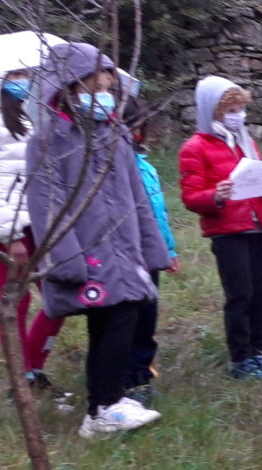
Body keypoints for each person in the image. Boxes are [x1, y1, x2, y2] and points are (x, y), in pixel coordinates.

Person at [24, 43, 172, 438]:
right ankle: (103, 407)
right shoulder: (47, 142)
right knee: (116, 318)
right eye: (95, 86)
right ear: (71, 88)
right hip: (87, 254)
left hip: (123, 249)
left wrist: (151, 247)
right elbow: (47, 207)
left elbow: (136, 196)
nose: (104, 92)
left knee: (117, 320)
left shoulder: (114, 135)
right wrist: (69, 261)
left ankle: (105, 403)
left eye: (108, 85)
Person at [0, 65, 68, 405]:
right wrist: (10, 235)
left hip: (33, 220)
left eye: (23, 75)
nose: (22, 82)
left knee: (58, 296)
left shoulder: (18, 114)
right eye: (14, 75)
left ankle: (32, 369)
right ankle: (23, 379)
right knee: (15, 303)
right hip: (6, 227)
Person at [179, 76, 262, 381]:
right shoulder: (195, 148)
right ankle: (240, 357)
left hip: (257, 226)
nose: (238, 113)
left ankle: (256, 351)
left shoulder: (247, 142)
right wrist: (215, 196)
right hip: (228, 231)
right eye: (230, 108)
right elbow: (190, 197)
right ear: (212, 111)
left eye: (240, 107)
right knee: (240, 295)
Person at [123, 95, 179, 405]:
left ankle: (142, 373)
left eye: (139, 127)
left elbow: (159, 214)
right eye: (131, 127)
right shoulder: (110, 170)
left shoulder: (146, 168)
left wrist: (168, 249)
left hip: (151, 256)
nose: (136, 134)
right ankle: (124, 377)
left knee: (147, 316)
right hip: (125, 256)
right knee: (125, 319)